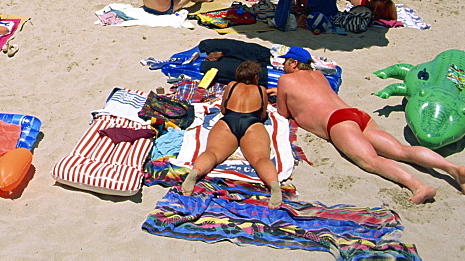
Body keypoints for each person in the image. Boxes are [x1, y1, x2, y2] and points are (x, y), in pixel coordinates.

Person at [276, 46, 465, 204]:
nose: (282, 66)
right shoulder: (318, 75)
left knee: (371, 161)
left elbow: (284, 113)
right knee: (400, 150)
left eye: (285, 62)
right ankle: (453, 169)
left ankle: (419, 186)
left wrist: (279, 95)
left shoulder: (285, 80)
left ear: (293, 63)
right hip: (357, 115)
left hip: (338, 122)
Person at [180, 61, 282, 207]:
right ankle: (274, 186)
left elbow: (223, 109)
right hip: (252, 123)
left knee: (213, 153)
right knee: (260, 159)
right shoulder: (260, 90)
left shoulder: (231, 86)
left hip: (229, 121)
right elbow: (262, 115)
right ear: (255, 77)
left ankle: (195, 173)